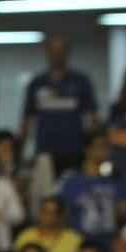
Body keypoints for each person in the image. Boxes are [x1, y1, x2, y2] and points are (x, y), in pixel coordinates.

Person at [20, 35, 98, 174]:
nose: (57, 54)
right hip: (44, 150)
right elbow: (27, 120)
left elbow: (92, 118)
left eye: (60, 50)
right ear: (47, 52)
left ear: (67, 53)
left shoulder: (81, 81)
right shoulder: (37, 83)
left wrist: (93, 150)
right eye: (53, 50)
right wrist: (21, 152)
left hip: (75, 150)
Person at [14, 197, 82, 252]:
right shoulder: (26, 236)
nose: (48, 216)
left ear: (60, 216)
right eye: (45, 212)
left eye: (53, 213)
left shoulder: (75, 239)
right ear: (39, 213)